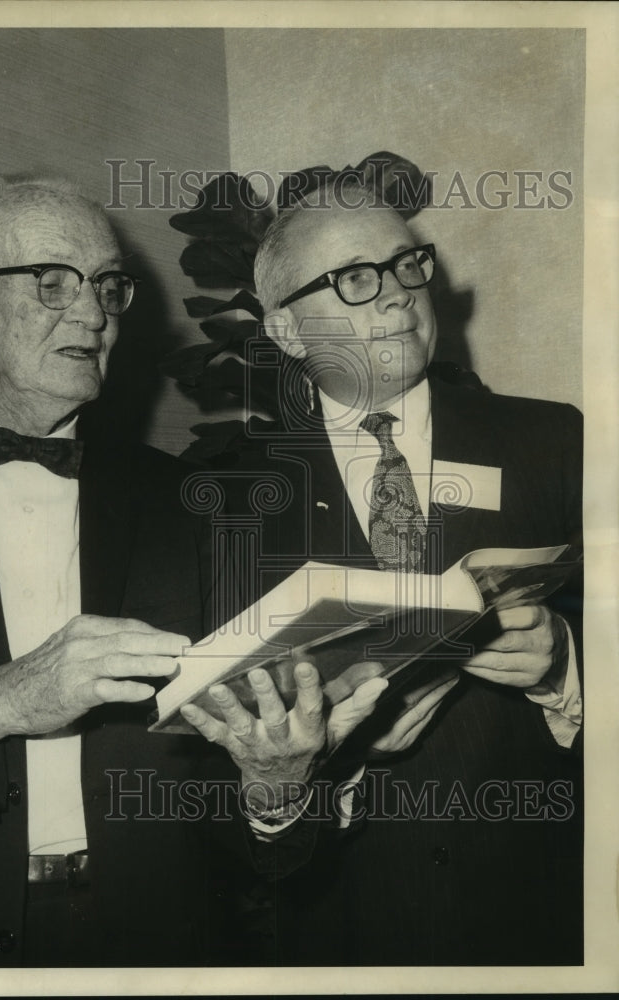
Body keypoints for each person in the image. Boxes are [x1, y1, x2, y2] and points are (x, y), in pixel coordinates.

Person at [0, 172, 387, 968]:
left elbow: (242, 826)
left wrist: (278, 784)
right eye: (52, 281)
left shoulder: (190, 504)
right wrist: (1, 700)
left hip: (153, 944)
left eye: (107, 285)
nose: (94, 313)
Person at [181, 180, 583, 965]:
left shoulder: (554, 441)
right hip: (350, 931)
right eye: (355, 278)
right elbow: (208, 784)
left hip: (545, 918)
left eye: (406, 266)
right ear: (288, 330)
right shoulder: (226, 503)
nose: (398, 297)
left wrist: (567, 664)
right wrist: (305, 767)